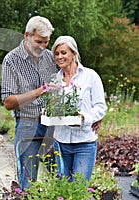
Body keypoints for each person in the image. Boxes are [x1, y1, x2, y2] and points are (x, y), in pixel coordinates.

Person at [1, 16, 59, 189]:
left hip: (53, 126)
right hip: (27, 124)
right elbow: (8, 102)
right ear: (27, 35)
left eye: (46, 42)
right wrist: (38, 92)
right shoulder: (12, 60)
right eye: (38, 42)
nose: (42, 47)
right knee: (28, 183)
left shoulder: (50, 58)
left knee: (62, 178)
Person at [50, 36, 107, 181]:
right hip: (61, 142)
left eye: (63, 53)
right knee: (63, 187)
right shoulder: (55, 80)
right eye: (57, 54)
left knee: (79, 188)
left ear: (74, 54)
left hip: (84, 143)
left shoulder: (90, 76)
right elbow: (53, 107)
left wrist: (85, 118)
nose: (59, 57)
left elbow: (101, 107)